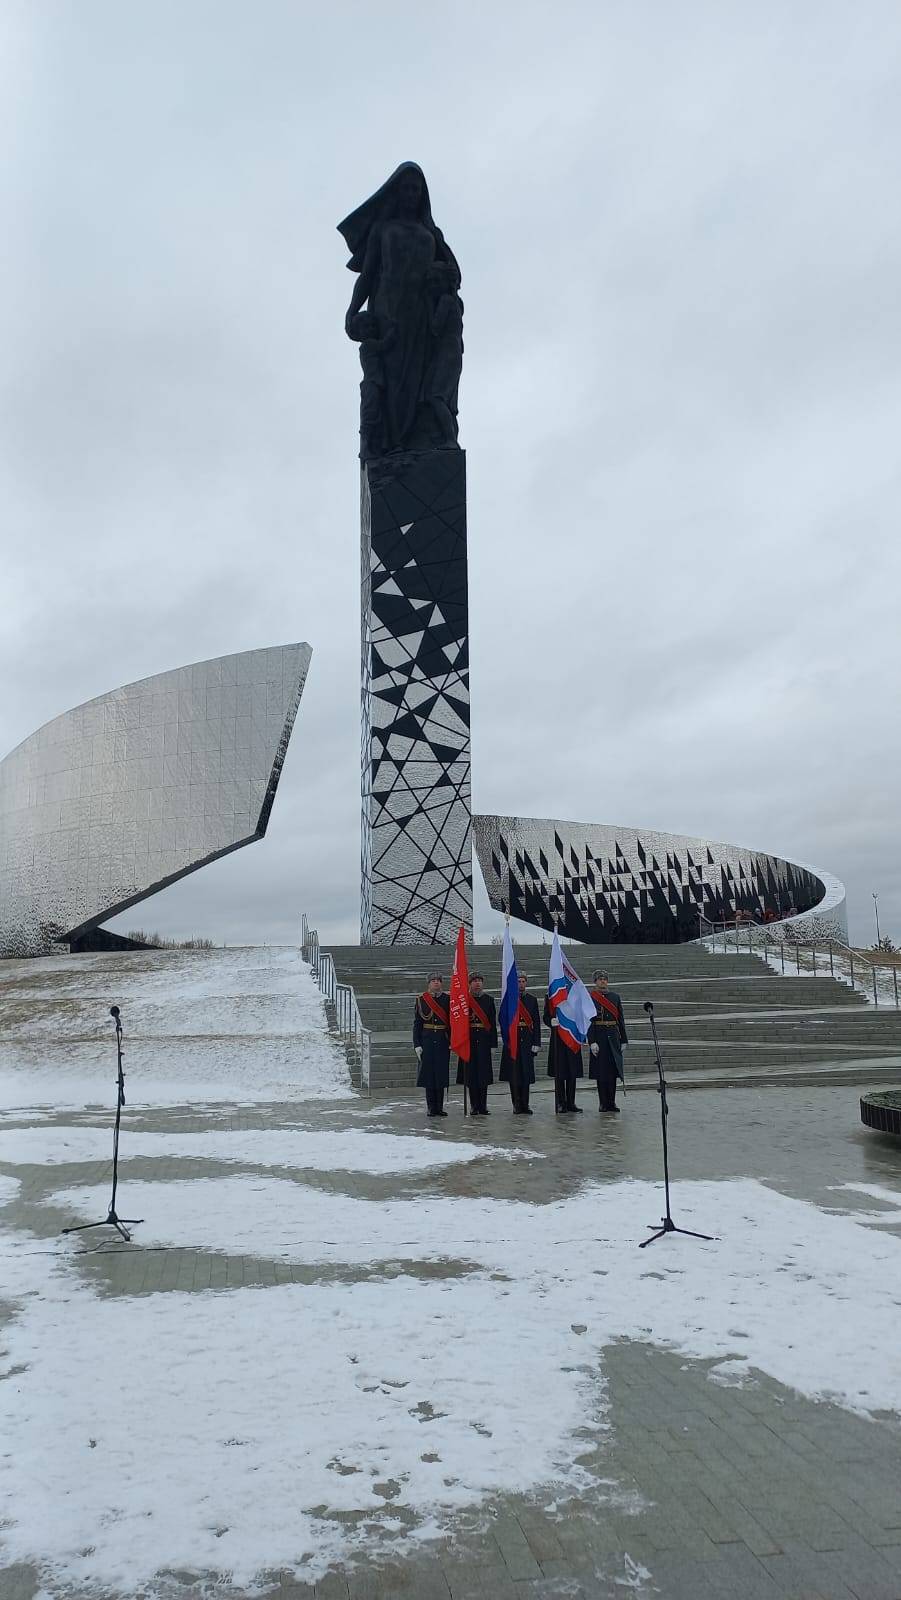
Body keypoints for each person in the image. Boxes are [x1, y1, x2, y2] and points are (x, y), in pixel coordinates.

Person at [348, 310, 397, 460]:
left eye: (372, 326)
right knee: (370, 418)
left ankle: (376, 446)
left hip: (376, 384)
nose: (371, 329)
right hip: (372, 385)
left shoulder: (368, 345)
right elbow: (385, 345)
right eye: (366, 327)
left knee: (377, 416)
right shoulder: (368, 345)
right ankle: (365, 449)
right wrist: (393, 328)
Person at [498, 972, 542, 1114]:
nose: (521, 984)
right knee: (514, 1074)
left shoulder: (532, 1000)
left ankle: (525, 1104)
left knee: (526, 1074)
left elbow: (536, 1022)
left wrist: (536, 1042)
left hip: (527, 1041)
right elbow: (502, 1019)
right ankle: (516, 1104)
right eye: (518, 981)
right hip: (513, 1040)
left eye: (523, 981)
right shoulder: (509, 999)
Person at [456, 972, 497, 1115]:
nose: (477, 983)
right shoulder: (464, 1000)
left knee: (483, 1075)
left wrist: (493, 1044)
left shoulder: (489, 1000)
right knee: (471, 1075)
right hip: (469, 1041)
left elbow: (492, 1024)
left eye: (480, 981)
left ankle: (483, 1105)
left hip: (484, 1041)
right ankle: (474, 1105)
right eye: (474, 981)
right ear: (469, 984)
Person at [587, 970, 628, 1114]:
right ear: (595, 982)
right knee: (601, 1072)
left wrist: (624, 1039)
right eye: (600, 979)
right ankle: (603, 1103)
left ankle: (612, 1102)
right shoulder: (591, 998)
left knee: (612, 1072)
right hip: (599, 1037)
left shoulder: (615, 997)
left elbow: (620, 1019)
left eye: (605, 979)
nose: (603, 981)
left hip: (613, 1037)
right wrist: (592, 1041)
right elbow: (589, 1021)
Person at [413, 972, 451, 1117]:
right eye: (433, 980)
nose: (436, 983)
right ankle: (431, 1107)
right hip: (427, 1041)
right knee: (429, 1075)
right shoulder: (421, 1000)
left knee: (441, 1074)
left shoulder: (448, 999)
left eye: (438, 980)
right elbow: (417, 1024)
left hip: (442, 1041)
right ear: (428, 983)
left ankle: (439, 1107)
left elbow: (452, 1023)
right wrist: (417, 1044)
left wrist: (452, 1040)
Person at [544, 992, 583, 1113]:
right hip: (558, 1038)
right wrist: (550, 1021)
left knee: (572, 1072)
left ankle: (571, 1102)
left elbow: (580, 1014)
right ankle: (560, 1102)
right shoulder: (552, 994)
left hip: (572, 1036)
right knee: (559, 1072)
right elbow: (546, 1016)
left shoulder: (575, 993)